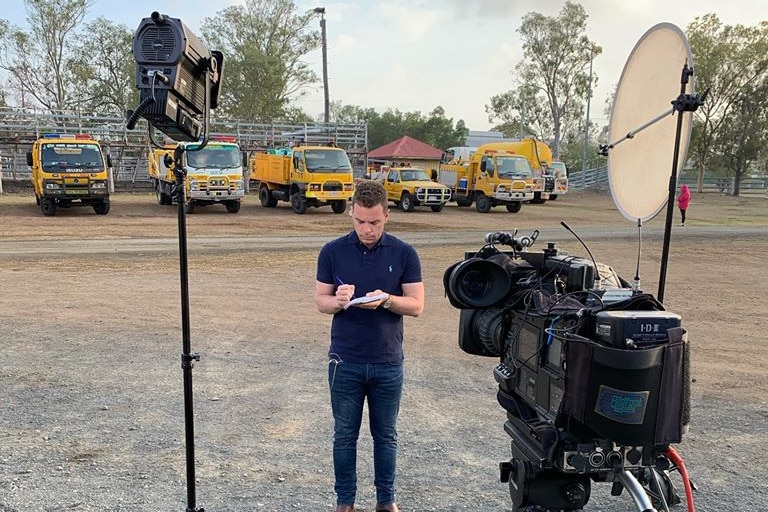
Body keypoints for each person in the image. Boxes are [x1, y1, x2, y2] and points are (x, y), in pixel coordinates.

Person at [315, 180, 425, 512]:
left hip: (387, 362)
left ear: (387, 216)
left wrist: (387, 300)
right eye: (360, 221)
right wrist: (338, 300)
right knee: (344, 436)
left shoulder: (404, 253)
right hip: (344, 361)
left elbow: (417, 305)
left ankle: (386, 501)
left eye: (374, 222)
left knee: (386, 436)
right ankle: (345, 502)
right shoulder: (332, 251)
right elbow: (320, 301)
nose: (367, 229)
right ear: (351, 213)